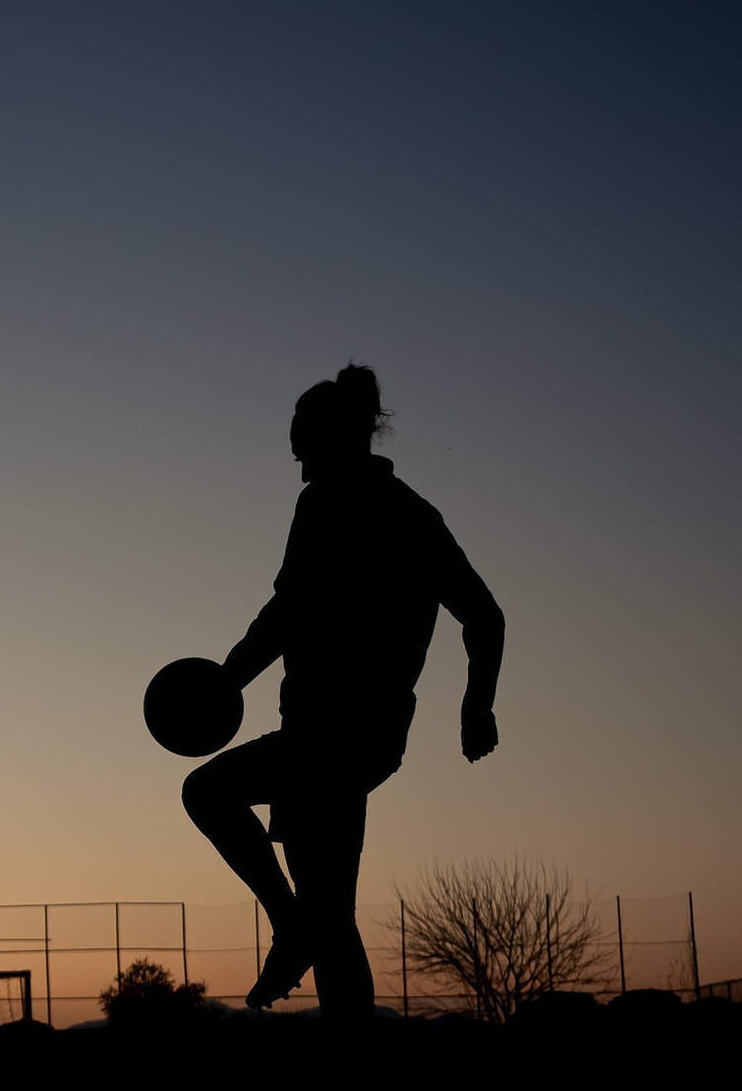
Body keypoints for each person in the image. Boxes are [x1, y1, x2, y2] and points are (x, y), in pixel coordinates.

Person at [183, 364, 503, 1016]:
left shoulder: (330, 501)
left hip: (328, 736)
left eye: (300, 431)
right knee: (332, 918)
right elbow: (484, 615)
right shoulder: (414, 512)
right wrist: (476, 706)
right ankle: (307, 938)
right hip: (365, 739)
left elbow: (287, 611)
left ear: (333, 434)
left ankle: (288, 922)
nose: (293, 447)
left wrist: (224, 682)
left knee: (208, 791)